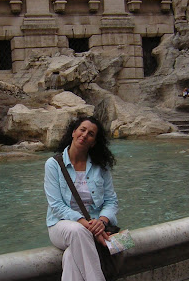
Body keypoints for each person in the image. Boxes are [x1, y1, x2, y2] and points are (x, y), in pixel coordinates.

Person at [44, 116, 118, 281]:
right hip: (61, 226)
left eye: (91, 134)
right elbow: (56, 206)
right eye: (82, 130)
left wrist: (102, 222)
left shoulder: (101, 166)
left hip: (97, 226)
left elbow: (111, 201)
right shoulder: (53, 164)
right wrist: (89, 227)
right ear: (73, 132)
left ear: (93, 142)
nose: (85, 135)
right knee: (78, 231)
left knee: (71, 256)